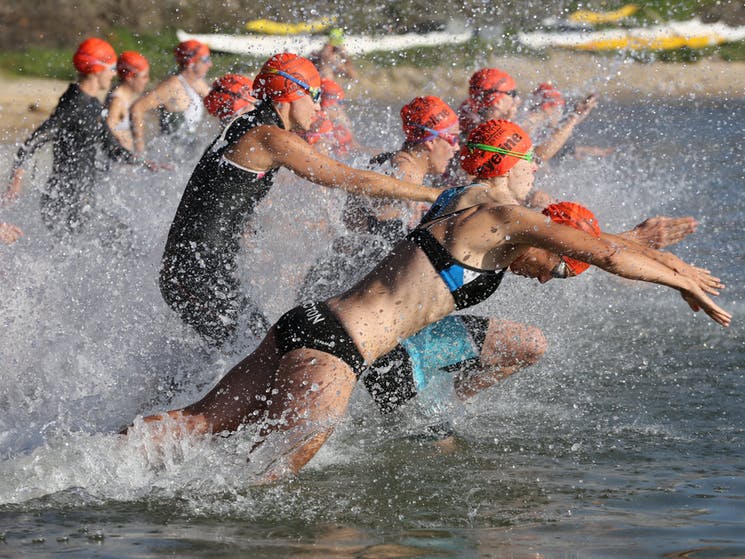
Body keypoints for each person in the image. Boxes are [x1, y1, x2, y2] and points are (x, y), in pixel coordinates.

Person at [131, 120, 730, 480]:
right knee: (266, 481)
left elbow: (585, 247)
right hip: (337, 349)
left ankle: (85, 462)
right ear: (508, 164)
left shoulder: (459, 202)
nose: (536, 170)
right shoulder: (503, 216)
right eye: (531, 160)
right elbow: (602, 255)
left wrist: (662, 256)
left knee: (198, 425)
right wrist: (678, 281)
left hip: (310, 323)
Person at [159, 53, 444, 349]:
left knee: (245, 352)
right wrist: (435, 195)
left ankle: (166, 392)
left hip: (192, 270)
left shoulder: (245, 124)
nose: (319, 106)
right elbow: (350, 178)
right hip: (197, 275)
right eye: (315, 95)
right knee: (261, 352)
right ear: (291, 92)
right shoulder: (269, 137)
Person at [4, 38, 153, 236]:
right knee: (121, 239)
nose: (114, 74)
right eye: (110, 68)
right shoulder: (74, 104)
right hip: (64, 200)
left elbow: (111, 147)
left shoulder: (92, 104)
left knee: (123, 238)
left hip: (81, 197)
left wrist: (142, 162)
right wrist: (16, 179)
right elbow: (36, 139)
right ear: (97, 70)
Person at [457, 68, 598, 165]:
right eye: (513, 93)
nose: (518, 99)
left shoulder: (477, 123)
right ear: (498, 102)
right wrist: (573, 118)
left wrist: (575, 115)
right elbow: (537, 157)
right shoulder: (493, 134)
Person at [130, 40, 212, 155]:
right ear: (191, 63)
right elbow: (137, 108)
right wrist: (140, 150)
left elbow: (220, 104)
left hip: (188, 149)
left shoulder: (197, 83)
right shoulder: (173, 85)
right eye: (205, 60)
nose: (210, 64)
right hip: (172, 155)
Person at [105, 51, 150, 151]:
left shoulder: (124, 96)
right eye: (144, 76)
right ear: (130, 77)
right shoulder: (117, 100)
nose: (147, 80)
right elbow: (108, 125)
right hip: (118, 161)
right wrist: (121, 137)